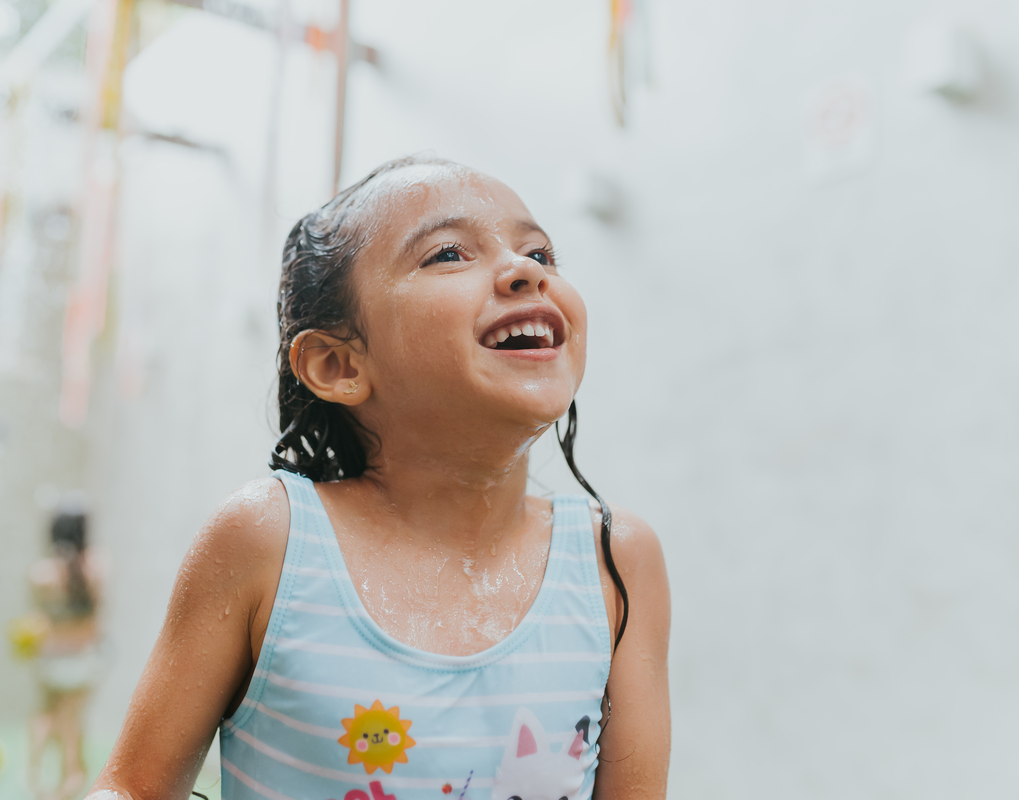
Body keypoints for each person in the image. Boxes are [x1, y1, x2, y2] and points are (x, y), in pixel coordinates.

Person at [88, 156, 671, 799]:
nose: (525, 270)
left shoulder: (613, 562)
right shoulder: (271, 544)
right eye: (448, 253)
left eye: (540, 252)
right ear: (338, 364)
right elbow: (133, 791)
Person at [29, 506, 105, 800]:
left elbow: (37, 619)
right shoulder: (97, 566)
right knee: (72, 719)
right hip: (83, 657)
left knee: (45, 713)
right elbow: (98, 617)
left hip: (51, 657)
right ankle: (71, 781)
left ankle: (34, 776)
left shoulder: (42, 573)